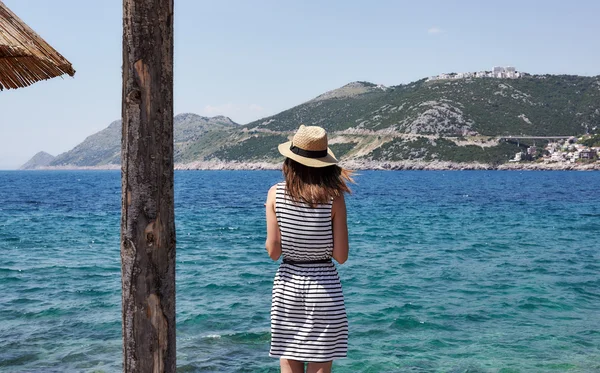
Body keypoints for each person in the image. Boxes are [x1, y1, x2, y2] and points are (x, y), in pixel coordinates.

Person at [265, 125, 353, 373]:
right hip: (324, 288)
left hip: (288, 288)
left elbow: (273, 252)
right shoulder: (334, 197)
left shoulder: (275, 194)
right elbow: (341, 256)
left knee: (289, 359)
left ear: (291, 161)